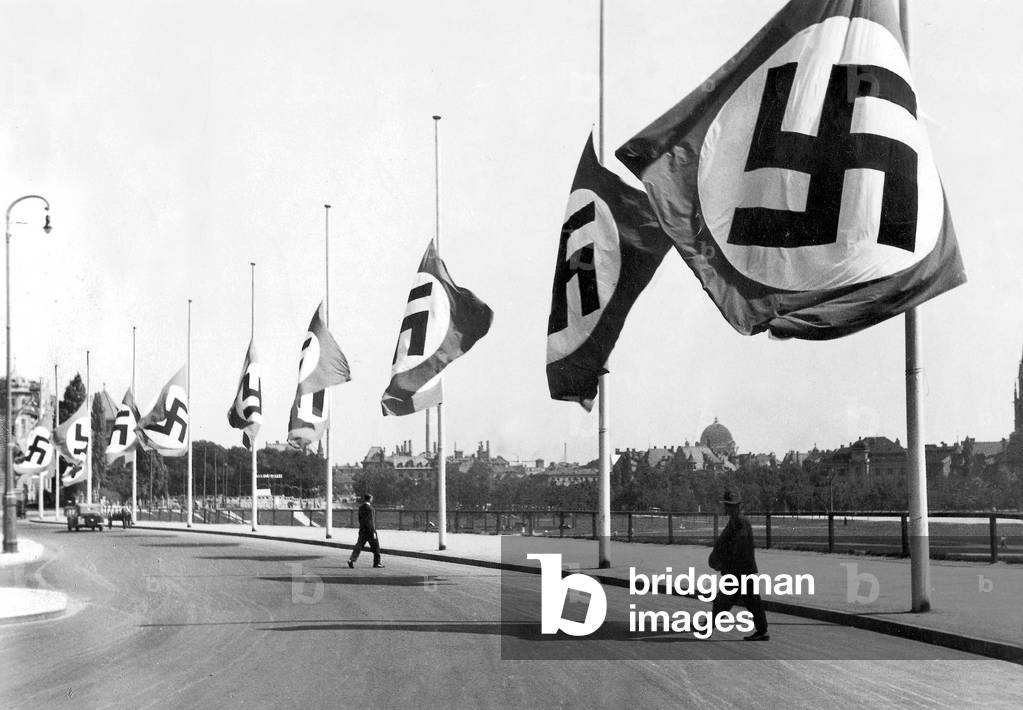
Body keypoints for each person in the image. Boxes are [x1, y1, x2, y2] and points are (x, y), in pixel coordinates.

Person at [708, 490, 769, 641]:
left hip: (740, 571)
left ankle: (707, 627)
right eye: (728, 505)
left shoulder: (741, 522)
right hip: (739, 570)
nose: (729, 508)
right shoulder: (735, 521)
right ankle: (762, 631)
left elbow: (737, 546)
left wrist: (722, 562)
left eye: (732, 505)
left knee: (725, 600)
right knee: (750, 602)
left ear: (738, 506)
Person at [348, 494, 384, 568]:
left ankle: (352, 559)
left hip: (362, 530)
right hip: (370, 531)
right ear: (370, 499)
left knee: (359, 546)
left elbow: (360, 519)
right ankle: (377, 563)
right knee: (376, 547)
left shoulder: (361, 508)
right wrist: (373, 531)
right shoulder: (371, 509)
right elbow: (371, 522)